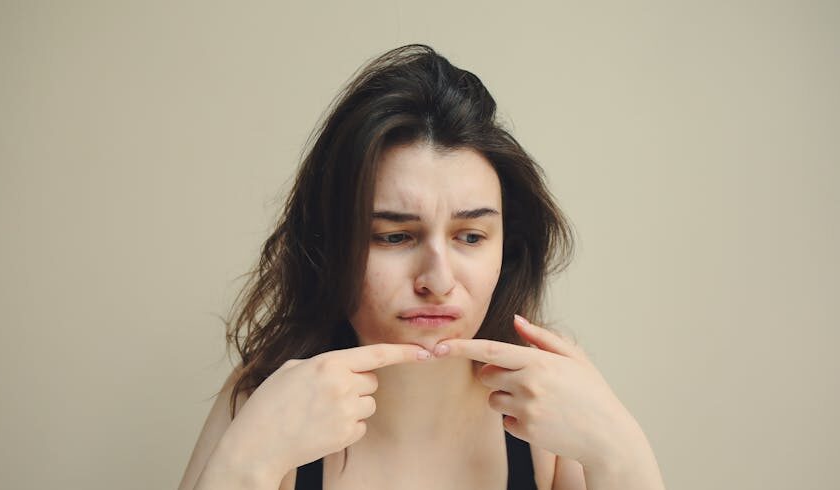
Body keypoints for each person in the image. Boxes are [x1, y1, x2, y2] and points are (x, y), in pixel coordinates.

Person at [178, 44, 666, 490]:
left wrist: (619, 452)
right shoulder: (265, 404)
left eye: (470, 237)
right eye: (395, 237)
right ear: (331, 243)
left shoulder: (549, 419)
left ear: (507, 249)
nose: (437, 281)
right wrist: (247, 462)